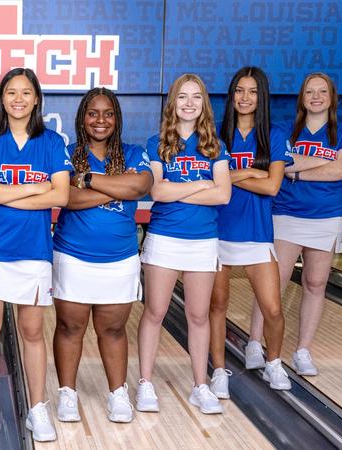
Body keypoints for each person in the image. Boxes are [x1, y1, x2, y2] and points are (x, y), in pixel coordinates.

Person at [0, 67, 71, 442]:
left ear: (37, 99)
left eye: (25, 92)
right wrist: (36, 188)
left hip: (33, 248)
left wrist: (6, 191)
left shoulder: (52, 142)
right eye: (11, 92)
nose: (18, 99)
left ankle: (37, 408)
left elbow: (61, 196)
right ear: (1, 99)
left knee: (32, 331)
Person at [51, 87, 152, 424]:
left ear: (117, 119)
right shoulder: (67, 154)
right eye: (93, 113)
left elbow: (140, 187)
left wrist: (89, 180)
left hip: (120, 259)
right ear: (82, 118)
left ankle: (117, 392)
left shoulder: (133, 152)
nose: (100, 120)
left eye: (108, 114)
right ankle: (68, 393)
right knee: (69, 327)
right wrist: (117, 186)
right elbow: (67, 199)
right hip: (72, 256)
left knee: (113, 330)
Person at [250, 73, 342, 376]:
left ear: (332, 98)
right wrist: (325, 161)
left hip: (327, 216)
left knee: (315, 284)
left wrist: (297, 171)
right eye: (310, 92)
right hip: (286, 214)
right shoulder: (284, 130)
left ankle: (302, 350)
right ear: (302, 98)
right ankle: (254, 343)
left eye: (322, 91)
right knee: (273, 284)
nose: (316, 97)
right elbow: (280, 163)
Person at [137, 74, 231, 415]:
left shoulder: (216, 147)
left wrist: (182, 190)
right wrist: (202, 185)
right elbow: (157, 191)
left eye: (196, 97)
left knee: (198, 315)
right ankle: (145, 383)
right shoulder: (157, 143)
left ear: (204, 104)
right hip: (164, 238)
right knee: (155, 312)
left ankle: (200, 386)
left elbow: (223, 194)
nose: (189, 103)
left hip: (203, 241)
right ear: (172, 103)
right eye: (182, 97)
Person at [209, 67, 291, 397]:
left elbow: (272, 187)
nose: (245, 98)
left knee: (273, 309)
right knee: (217, 307)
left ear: (262, 96)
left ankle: (274, 362)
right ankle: (218, 370)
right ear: (231, 95)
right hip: (217, 232)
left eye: (253, 91)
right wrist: (253, 172)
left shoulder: (274, 134)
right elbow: (214, 182)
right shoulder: (215, 134)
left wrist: (232, 175)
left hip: (257, 234)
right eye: (239, 90)